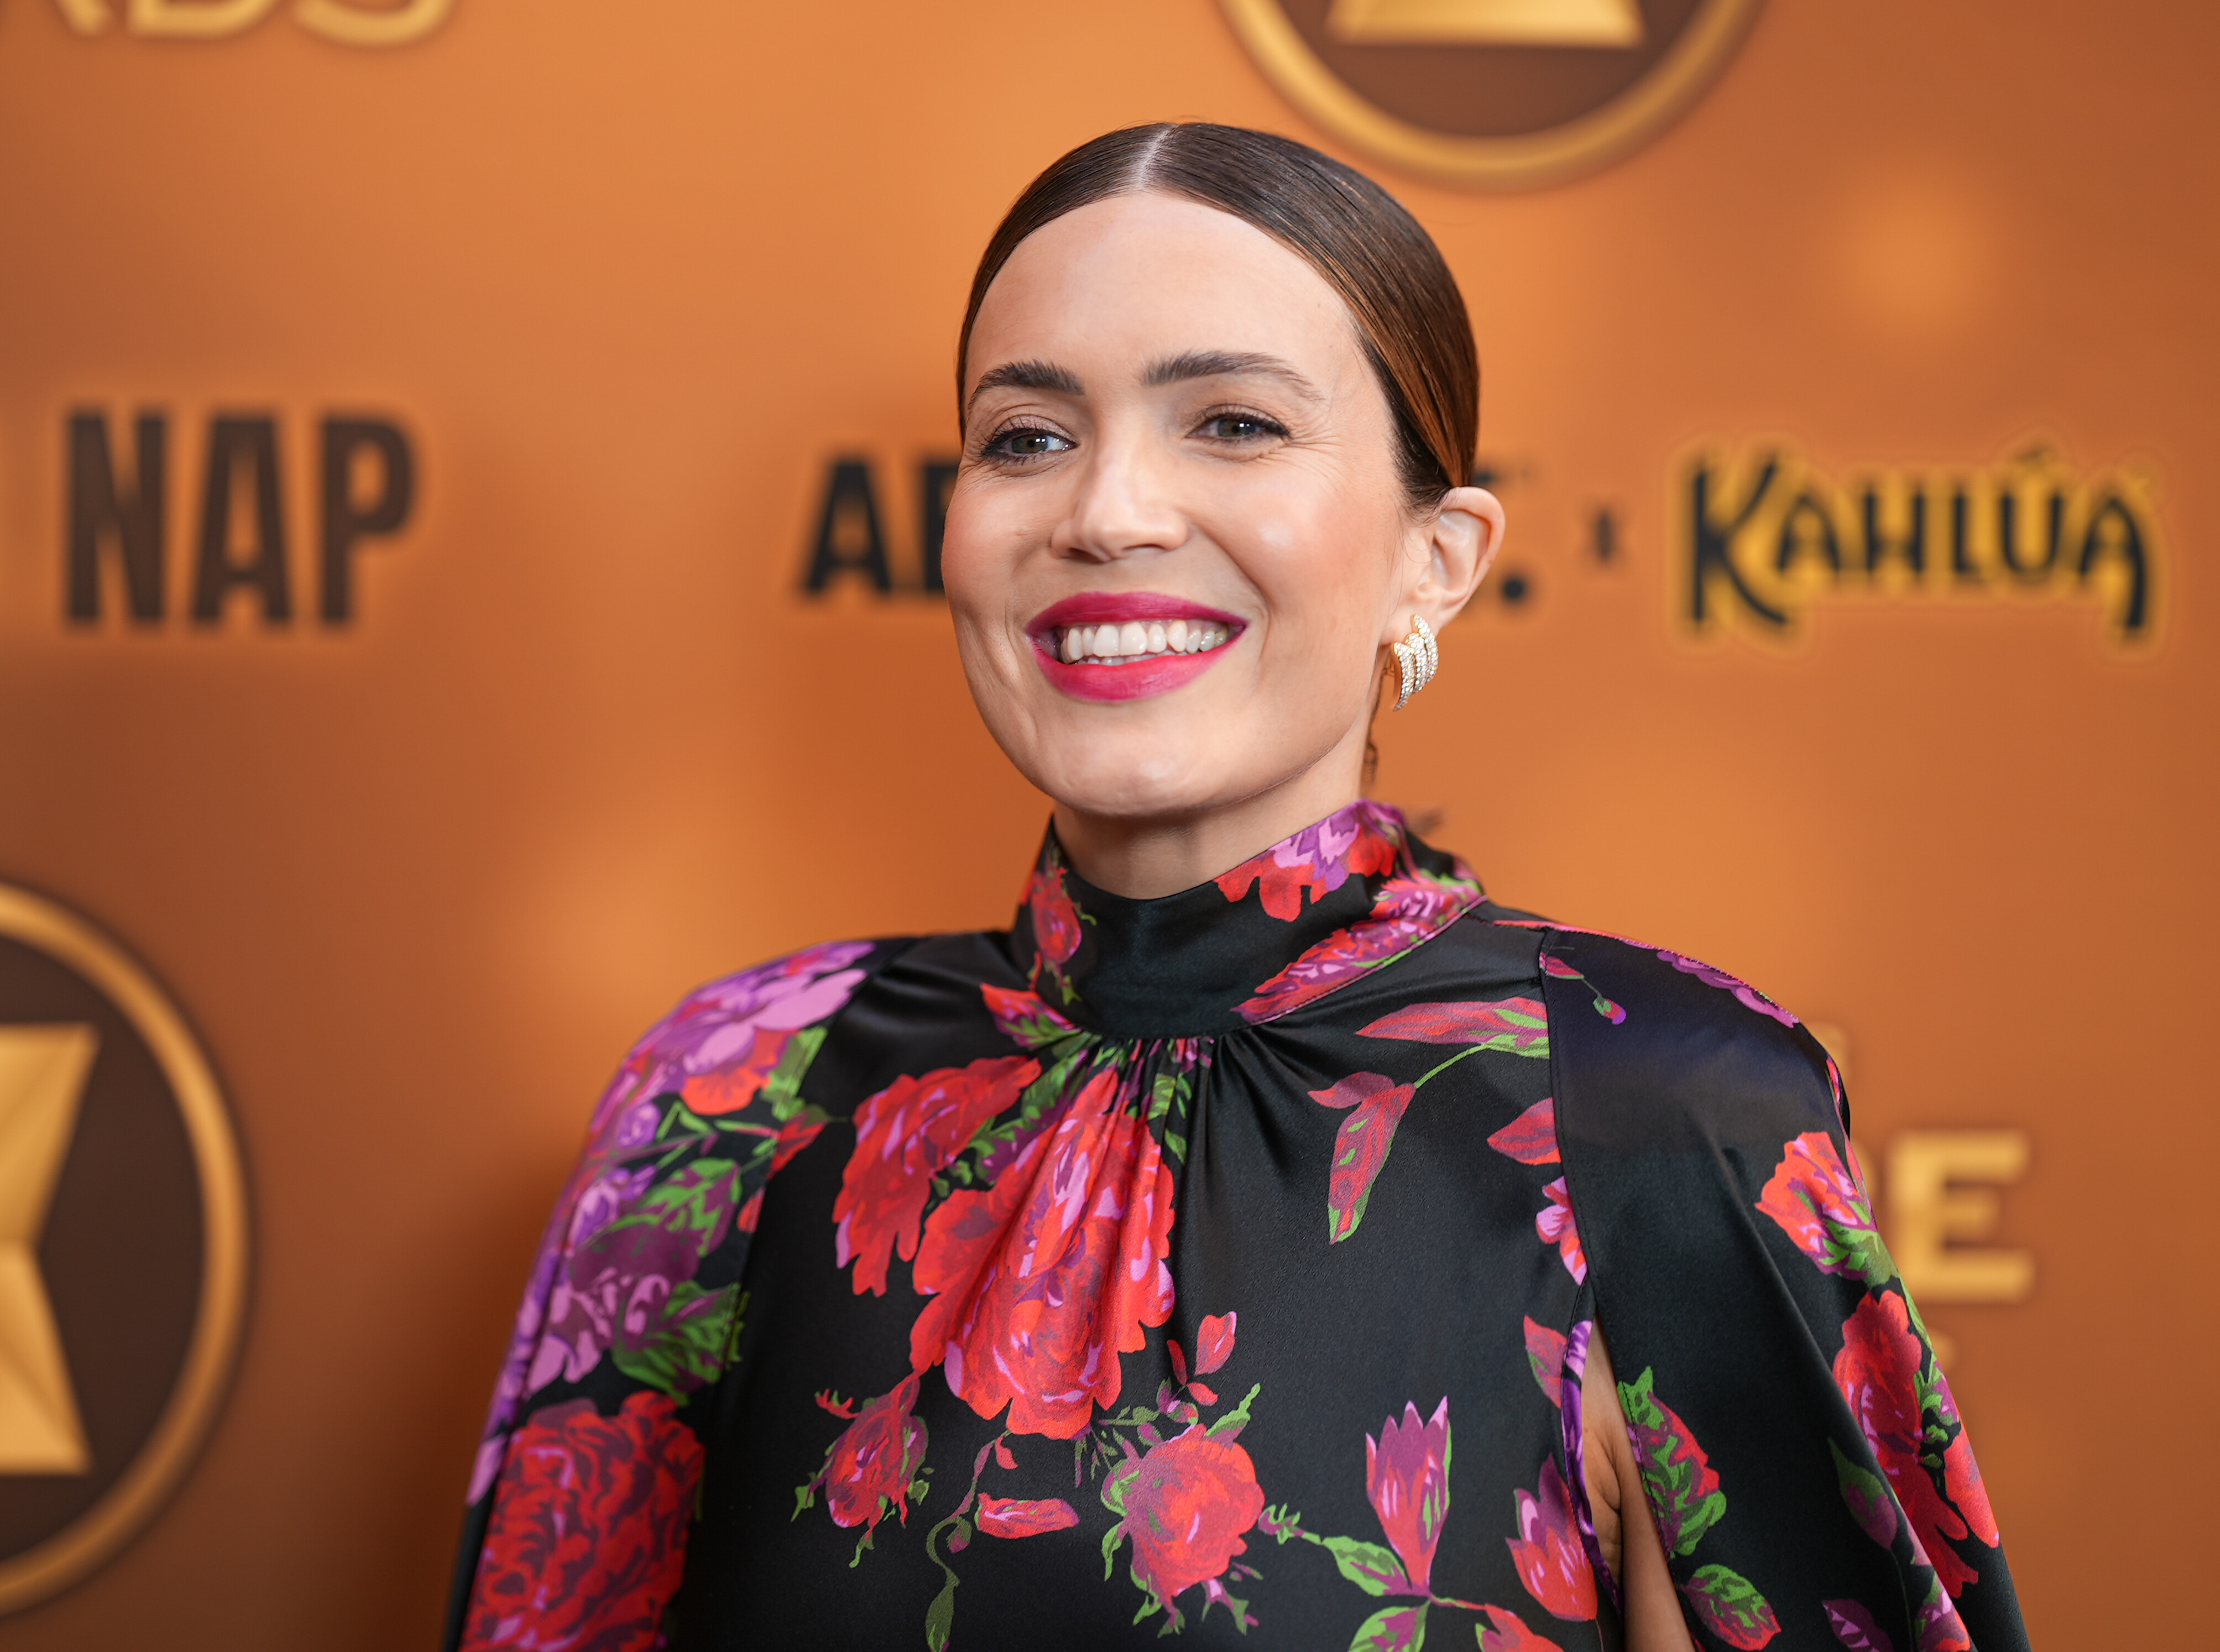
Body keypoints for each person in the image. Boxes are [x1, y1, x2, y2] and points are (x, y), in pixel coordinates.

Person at [442, 124, 2029, 1652]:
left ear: (1437, 558)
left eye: (1235, 424)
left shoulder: (1657, 1109)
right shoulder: (733, 1091)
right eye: (1028, 436)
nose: (1107, 512)